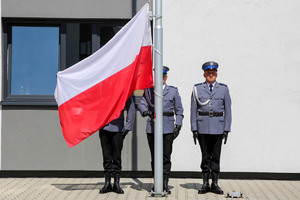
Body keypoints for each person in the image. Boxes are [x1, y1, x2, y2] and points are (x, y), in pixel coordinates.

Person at [138, 66, 184, 194]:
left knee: (165, 157)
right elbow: (142, 103)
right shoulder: (149, 90)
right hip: (152, 128)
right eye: (158, 77)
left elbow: (179, 110)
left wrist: (178, 125)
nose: (161, 79)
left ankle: (164, 183)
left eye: (163, 76)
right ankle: (156, 183)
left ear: (166, 78)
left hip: (168, 128)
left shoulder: (173, 91)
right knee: (155, 157)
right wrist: (145, 111)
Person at [190, 61, 232, 195]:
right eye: (208, 73)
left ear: (216, 74)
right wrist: (194, 128)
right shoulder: (197, 89)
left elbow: (228, 110)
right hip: (202, 127)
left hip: (218, 127)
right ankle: (205, 183)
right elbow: (193, 110)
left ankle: (215, 183)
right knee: (205, 157)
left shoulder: (224, 89)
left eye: (213, 73)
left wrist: (226, 128)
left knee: (216, 157)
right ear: (204, 74)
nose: (211, 75)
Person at [99, 96, 135, 194]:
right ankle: (107, 183)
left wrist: (128, 127)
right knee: (106, 157)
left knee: (117, 157)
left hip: (118, 128)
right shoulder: (104, 87)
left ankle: (116, 184)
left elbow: (131, 107)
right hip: (104, 127)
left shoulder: (125, 87)